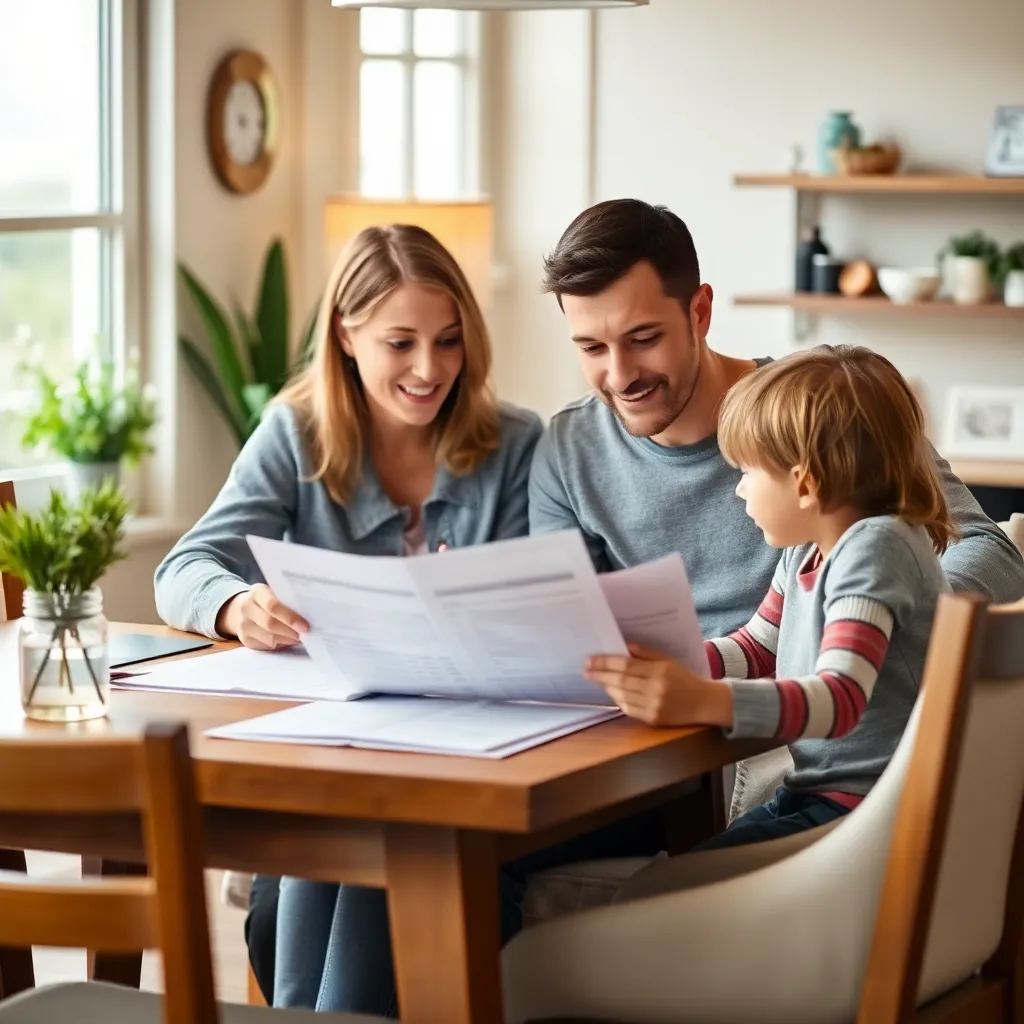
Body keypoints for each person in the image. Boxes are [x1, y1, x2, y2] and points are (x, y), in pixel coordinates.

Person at [245, 201, 1024, 1013]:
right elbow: (566, 633)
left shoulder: (818, 418)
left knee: (409, 852)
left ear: (700, 311)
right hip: (649, 743)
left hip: (771, 749)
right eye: (590, 347)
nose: (619, 374)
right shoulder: (570, 449)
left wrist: (862, 620)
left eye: (642, 338)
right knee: (375, 852)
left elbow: (988, 554)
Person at [153, 224, 542, 1008]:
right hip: (331, 766)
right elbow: (181, 569)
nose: (429, 369)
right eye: (400, 343)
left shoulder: (518, 444)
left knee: (383, 870)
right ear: (346, 333)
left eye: (448, 340)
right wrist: (237, 604)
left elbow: (541, 606)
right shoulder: (295, 436)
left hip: (466, 774)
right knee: (297, 897)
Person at [585, 345, 952, 845]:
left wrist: (704, 698)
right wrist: (669, 662)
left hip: (870, 816)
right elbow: (757, 648)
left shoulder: (875, 549)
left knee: (674, 887)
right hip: (822, 798)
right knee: (679, 872)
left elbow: (839, 701)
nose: (739, 490)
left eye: (748, 472)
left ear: (805, 484)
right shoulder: (806, 553)